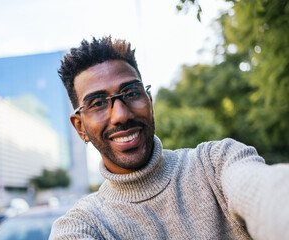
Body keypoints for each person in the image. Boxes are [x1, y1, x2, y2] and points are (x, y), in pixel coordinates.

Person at [49, 36, 289, 240]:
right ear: (80, 127)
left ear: (149, 102)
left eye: (132, 93)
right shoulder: (83, 225)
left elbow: (270, 195)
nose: (120, 115)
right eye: (98, 103)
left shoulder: (215, 164)